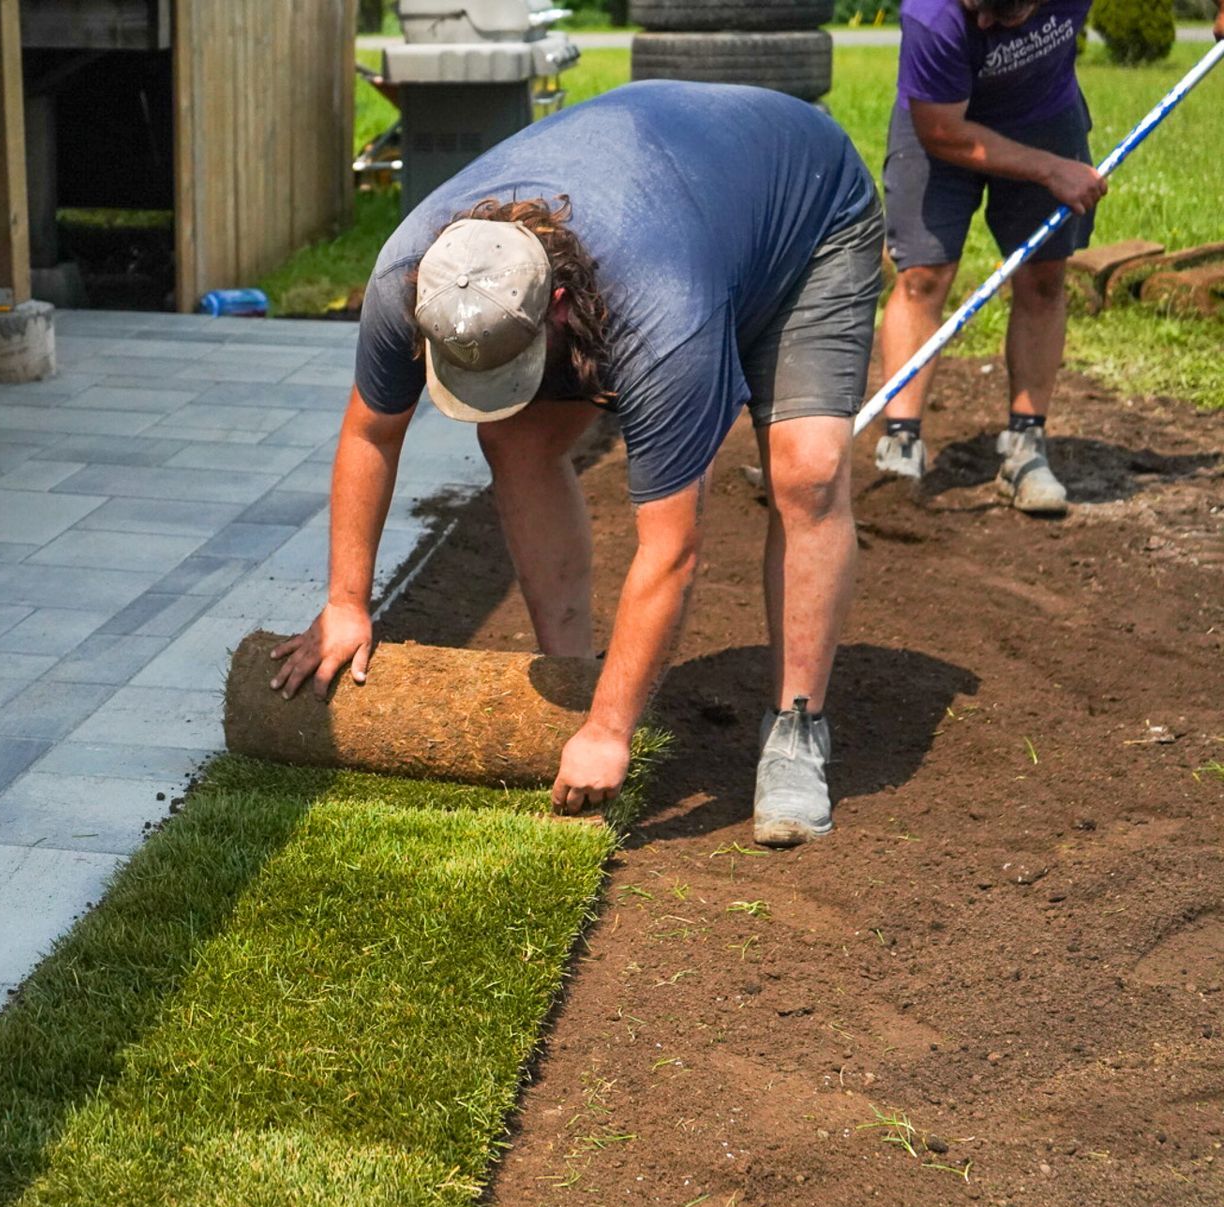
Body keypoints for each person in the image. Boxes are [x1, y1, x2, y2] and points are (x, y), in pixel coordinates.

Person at [268, 80, 881, 847]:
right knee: (515, 437)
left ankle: (797, 726)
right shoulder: (411, 281)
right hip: (689, 201)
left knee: (806, 471)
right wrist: (347, 600)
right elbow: (369, 434)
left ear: (557, 305)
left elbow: (672, 550)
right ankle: (573, 674)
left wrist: (611, 731)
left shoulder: (659, 319)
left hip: (805, 216)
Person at [873, 0, 1108, 514]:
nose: (982, 25)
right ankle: (901, 443)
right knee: (922, 277)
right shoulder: (931, 14)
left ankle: (1025, 447)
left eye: (1000, 17)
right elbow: (943, 134)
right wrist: (1049, 170)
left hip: (1044, 114)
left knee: (1044, 280)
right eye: (974, 7)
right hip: (939, 122)